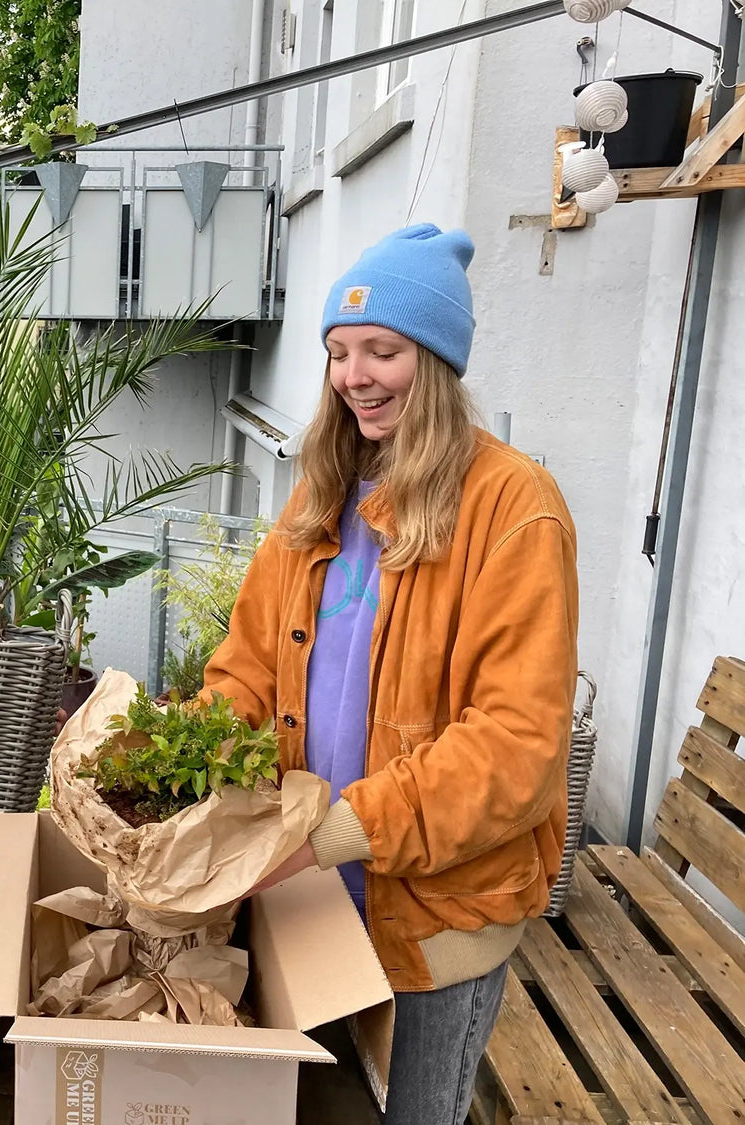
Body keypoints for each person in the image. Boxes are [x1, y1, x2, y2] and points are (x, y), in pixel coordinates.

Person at [204, 224, 578, 1124]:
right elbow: (246, 665)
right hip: (308, 891)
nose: (354, 375)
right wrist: (193, 759)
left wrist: (336, 830)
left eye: (383, 350)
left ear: (437, 360)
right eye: (339, 352)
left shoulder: (513, 507)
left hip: (439, 917)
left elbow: (516, 746)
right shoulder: (322, 493)